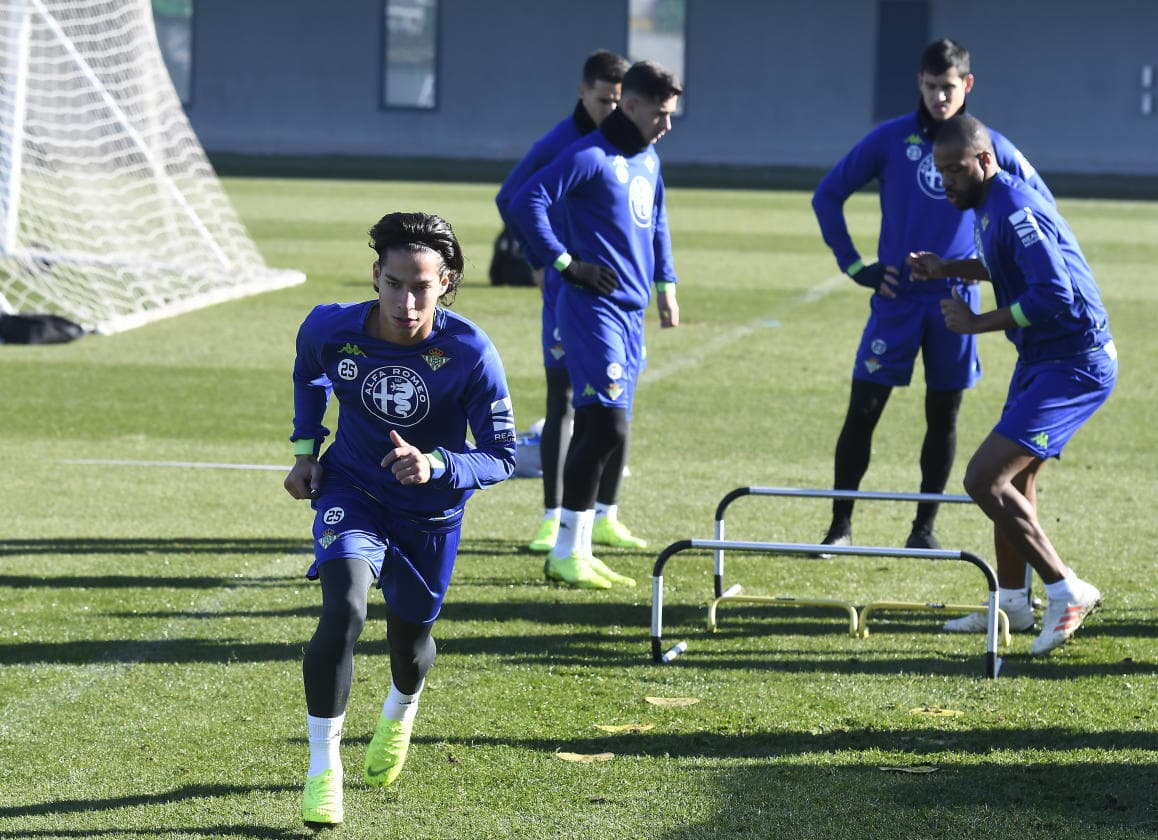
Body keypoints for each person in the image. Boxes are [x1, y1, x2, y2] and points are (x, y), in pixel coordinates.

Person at [284, 211, 516, 826]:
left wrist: (438, 465)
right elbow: (309, 373)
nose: (405, 302)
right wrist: (307, 450)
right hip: (353, 489)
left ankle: (400, 709)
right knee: (346, 610)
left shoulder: (469, 351)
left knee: (408, 647)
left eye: (421, 287)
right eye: (393, 283)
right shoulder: (331, 328)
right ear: (376, 276)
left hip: (429, 512)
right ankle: (322, 771)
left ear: (446, 283)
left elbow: (502, 456)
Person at [811, 38, 1054, 552]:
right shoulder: (889, 139)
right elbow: (827, 194)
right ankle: (839, 527)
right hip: (896, 302)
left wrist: (1001, 271)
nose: (940, 97)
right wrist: (858, 267)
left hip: (955, 303)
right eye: (930, 87)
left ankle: (923, 530)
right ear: (918, 85)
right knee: (863, 411)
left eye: (949, 87)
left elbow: (1040, 203)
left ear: (966, 85)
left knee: (943, 416)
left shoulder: (991, 146)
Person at [908, 114, 1115, 655]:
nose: (947, 180)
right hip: (1043, 358)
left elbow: (1055, 297)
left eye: (956, 169)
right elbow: (1002, 264)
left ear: (985, 161)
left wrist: (978, 324)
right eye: (940, 171)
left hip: (1075, 363)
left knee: (984, 480)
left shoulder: (1017, 209)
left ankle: (1066, 588)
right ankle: (1014, 604)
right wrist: (944, 267)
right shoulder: (988, 203)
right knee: (1015, 484)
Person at [509, 60, 682, 589]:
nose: (667, 125)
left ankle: (580, 547)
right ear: (630, 105)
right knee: (606, 424)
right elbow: (524, 200)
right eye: (660, 113)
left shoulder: (647, 158)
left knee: (602, 425)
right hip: (592, 311)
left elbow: (657, 220)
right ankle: (564, 547)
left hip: (630, 314)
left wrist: (666, 285)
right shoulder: (589, 155)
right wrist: (565, 264)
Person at [495, 49, 638, 556]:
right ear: (583, 92)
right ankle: (552, 516)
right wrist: (541, 260)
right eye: (604, 100)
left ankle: (605, 514)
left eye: (620, 101)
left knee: (615, 399)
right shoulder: (560, 144)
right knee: (563, 398)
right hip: (564, 288)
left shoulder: (623, 146)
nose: (612, 109)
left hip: (609, 295)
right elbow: (510, 197)